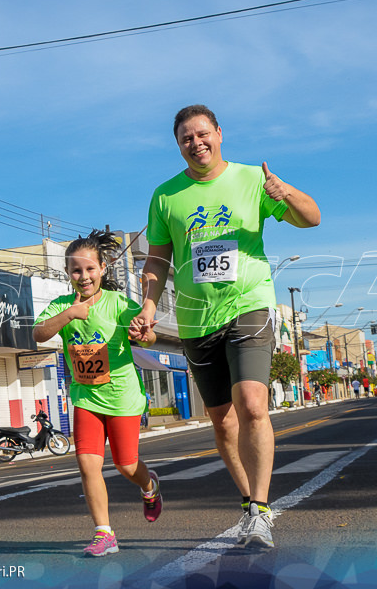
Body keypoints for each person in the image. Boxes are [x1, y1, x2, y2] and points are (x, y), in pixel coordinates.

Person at [131, 104, 320, 549]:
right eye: (186, 139)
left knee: (252, 404)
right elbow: (158, 258)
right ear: (178, 146)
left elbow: (311, 217)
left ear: (219, 133)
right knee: (222, 422)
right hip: (196, 319)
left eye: (202, 134)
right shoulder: (165, 195)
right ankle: (247, 502)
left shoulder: (253, 179)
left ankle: (260, 508)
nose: (196, 144)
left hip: (248, 306)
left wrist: (284, 191)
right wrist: (148, 306)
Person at [32, 230, 163, 557]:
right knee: (88, 465)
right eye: (76, 270)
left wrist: (142, 332)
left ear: (103, 268)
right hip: (86, 399)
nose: (84, 276)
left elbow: (148, 336)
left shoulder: (119, 303)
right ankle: (104, 534)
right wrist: (69, 315)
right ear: (68, 274)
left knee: (125, 465)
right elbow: (38, 333)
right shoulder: (62, 306)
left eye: (90, 269)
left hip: (121, 398)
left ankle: (150, 487)